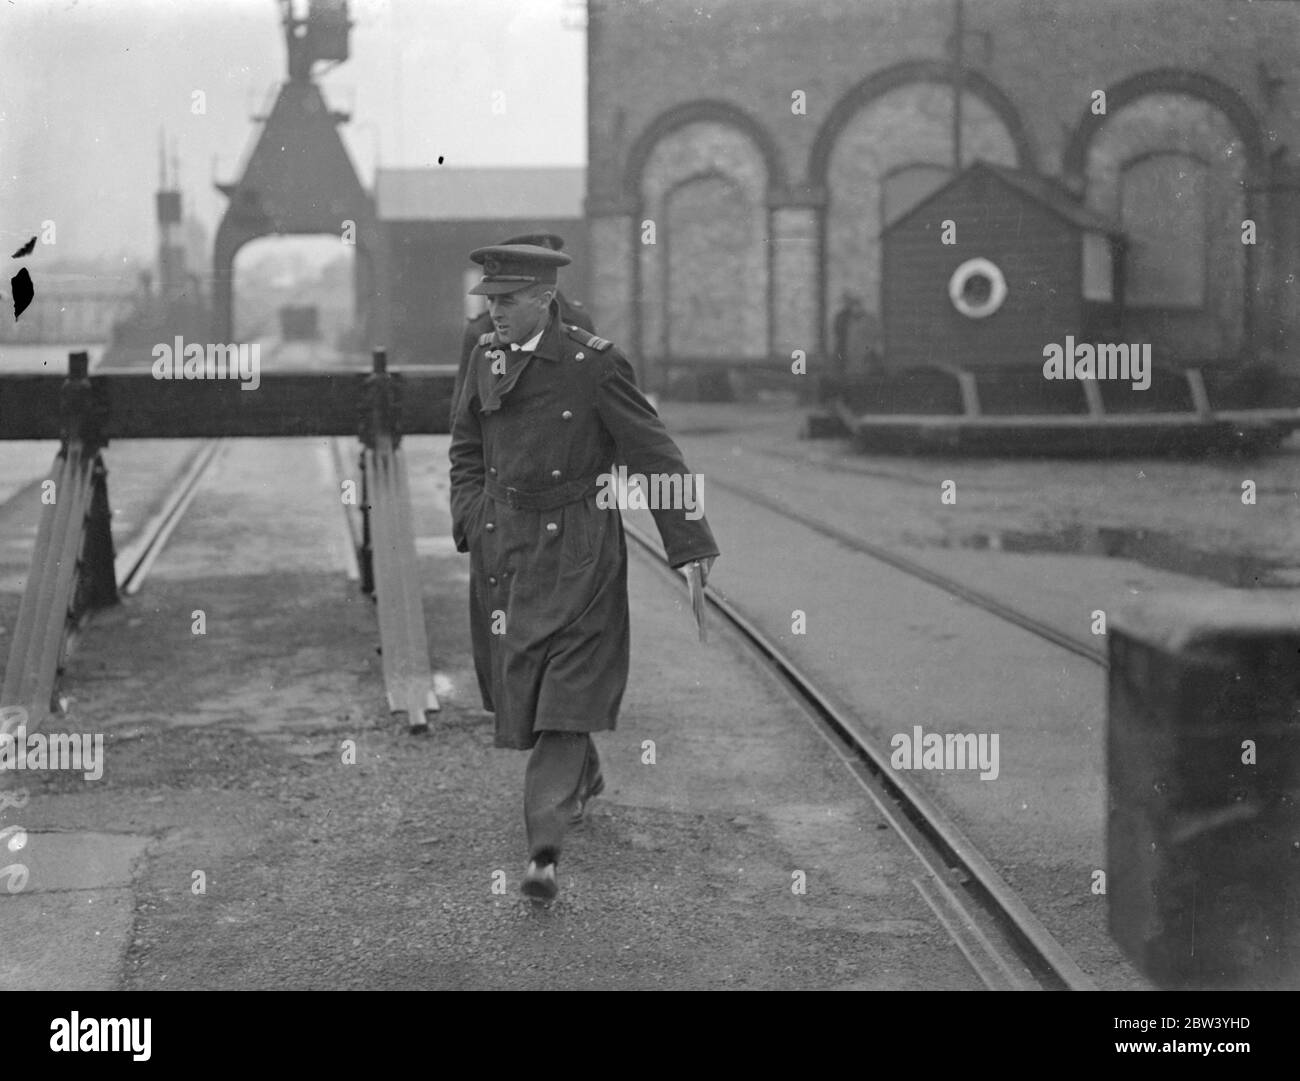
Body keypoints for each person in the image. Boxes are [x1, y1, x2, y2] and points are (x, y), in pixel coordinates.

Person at [449, 243, 718, 903]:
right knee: (531, 683)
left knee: (565, 694)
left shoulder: (593, 365)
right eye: (490, 299)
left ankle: (543, 849)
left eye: (507, 300)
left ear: (546, 298)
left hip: (579, 548)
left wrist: (688, 544)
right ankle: (582, 777)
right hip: (506, 549)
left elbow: (653, 453)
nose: (494, 312)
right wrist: (471, 516)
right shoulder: (486, 358)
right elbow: (465, 448)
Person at [452, 232, 593, 424]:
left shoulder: (578, 321)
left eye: (552, 265)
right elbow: (465, 413)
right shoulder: (482, 331)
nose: (496, 312)